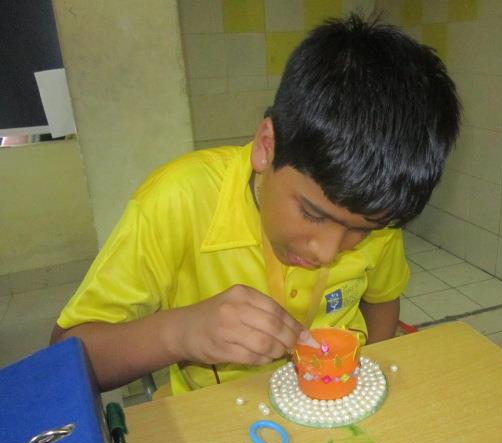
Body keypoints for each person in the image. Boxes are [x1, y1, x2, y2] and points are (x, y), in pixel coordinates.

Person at [50, 14, 460, 395]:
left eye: (363, 230)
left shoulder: (374, 210)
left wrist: (367, 375)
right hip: (222, 418)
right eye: (312, 214)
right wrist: (180, 332)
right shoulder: (179, 200)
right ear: (267, 146)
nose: (328, 251)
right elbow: (64, 361)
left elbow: (383, 299)